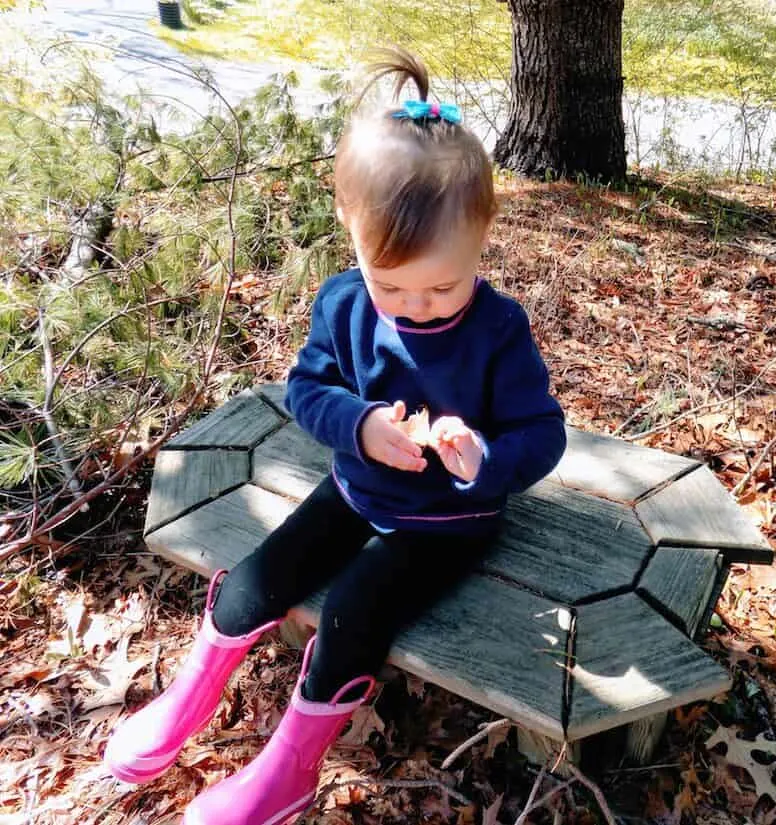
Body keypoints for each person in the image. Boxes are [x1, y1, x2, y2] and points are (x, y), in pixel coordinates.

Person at [104, 46, 567, 825]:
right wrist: (356, 424)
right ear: (350, 231)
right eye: (393, 285)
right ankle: (190, 695)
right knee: (259, 574)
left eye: (442, 285)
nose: (417, 306)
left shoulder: (497, 329)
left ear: (483, 239)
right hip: (357, 483)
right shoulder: (345, 303)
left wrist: (484, 458)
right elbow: (308, 390)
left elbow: (542, 434)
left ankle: (289, 767)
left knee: (354, 606)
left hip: (447, 521)